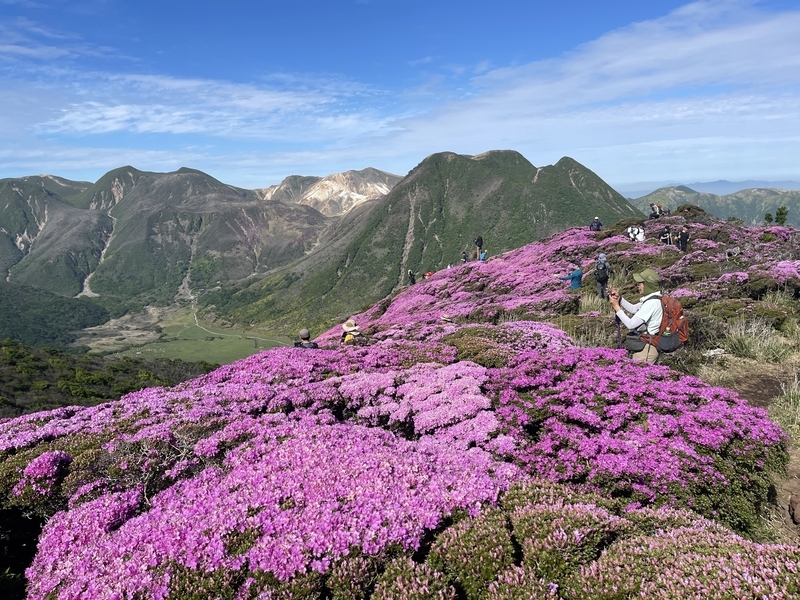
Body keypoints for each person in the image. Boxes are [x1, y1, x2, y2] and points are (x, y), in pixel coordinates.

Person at [608, 268, 663, 363]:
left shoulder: (652, 303)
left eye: (640, 284)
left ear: (648, 285)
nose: (638, 286)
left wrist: (617, 308)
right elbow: (633, 309)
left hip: (646, 350)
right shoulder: (654, 299)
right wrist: (619, 298)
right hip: (646, 347)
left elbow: (630, 324)